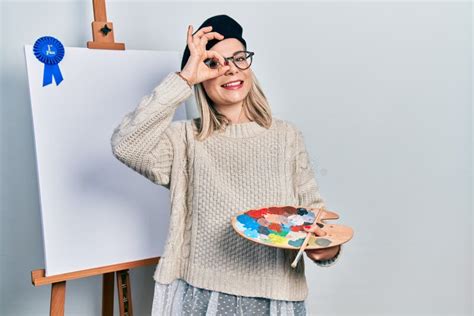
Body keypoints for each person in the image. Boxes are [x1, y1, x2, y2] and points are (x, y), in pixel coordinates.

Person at [111, 14, 342, 316]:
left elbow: (313, 215)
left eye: (238, 58)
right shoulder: (185, 140)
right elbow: (126, 144)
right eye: (214, 63)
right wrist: (184, 79)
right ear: (200, 77)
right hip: (203, 295)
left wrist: (327, 248)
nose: (230, 68)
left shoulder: (286, 136)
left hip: (276, 296)